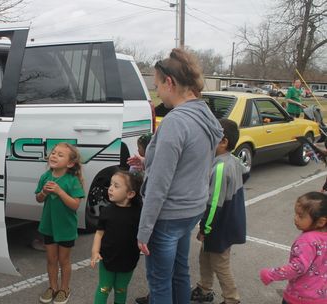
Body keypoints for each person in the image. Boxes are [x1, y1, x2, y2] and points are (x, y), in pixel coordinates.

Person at [135, 48, 223, 304]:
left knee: (160, 282)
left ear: (170, 82)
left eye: (157, 85)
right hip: (191, 209)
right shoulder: (204, 114)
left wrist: (144, 230)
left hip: (168, 214)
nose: (157, 91)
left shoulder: (176, 121)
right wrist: (146, 161)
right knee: (180, 272)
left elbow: (160, 184)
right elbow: (190, 160)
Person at [191, 119, 247, 304]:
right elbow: (246, 174)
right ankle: (204, 288)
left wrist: (205, 228)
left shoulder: (221, 167)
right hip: (226, 222)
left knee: (220, 263)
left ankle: (232, 299)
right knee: (205, 256)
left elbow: (214, 204)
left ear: (223, 142)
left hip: (220, 225)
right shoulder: (233, 160)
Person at [36, 142, 85, 304]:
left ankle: (64, 289)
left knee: (63, 260)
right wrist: (43, 192)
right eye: (54, 153)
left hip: (66, 228)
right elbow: (38, 199)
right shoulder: (45, 176)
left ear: (70, 163)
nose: (54, 156)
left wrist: (59, 191)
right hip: (48, 226)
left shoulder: (72, 181)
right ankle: (53, 287)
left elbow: (75, 205)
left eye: (60, 154)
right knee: (51, 259)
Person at [259, 192, 327, 304]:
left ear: (320, 221)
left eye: (300, 216)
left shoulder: (307, 240)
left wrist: (271, 274)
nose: (295, 218)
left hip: (299, 298)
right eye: (296, 214)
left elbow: (298, 267)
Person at [90, 170, 142, 304]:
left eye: (116, 186)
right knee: (104, 288)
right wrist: (95, 251)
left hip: (128, 259)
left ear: (130, 194)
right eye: (110, 185)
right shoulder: (107, 211)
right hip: (107, 258)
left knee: (121, 289)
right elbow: (99, 233)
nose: (110, 189)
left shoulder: (138, 212)